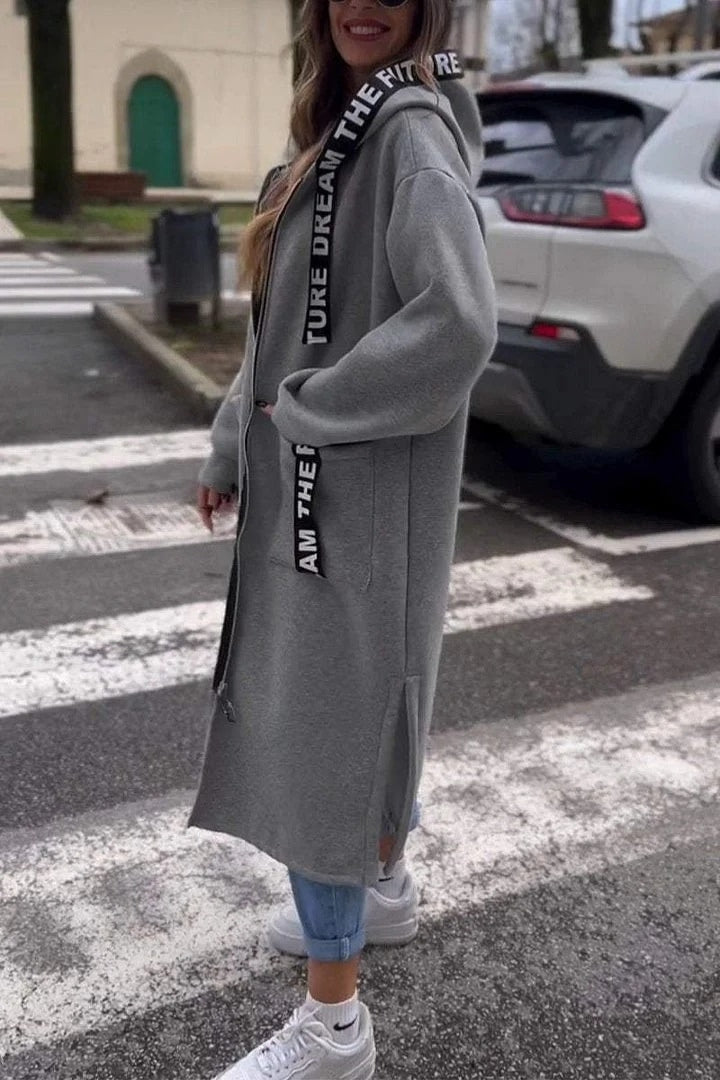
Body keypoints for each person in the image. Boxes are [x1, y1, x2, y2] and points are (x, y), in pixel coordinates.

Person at [190, 0, 497, 1076]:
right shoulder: (341, 126)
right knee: (349, 722)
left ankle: (333, 1030)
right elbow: (280, 327)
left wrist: (314, 408)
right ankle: (383, 887)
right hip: (316, 495)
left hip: (359, 511)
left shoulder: (405, 132)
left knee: (325, 747)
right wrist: (233, 440)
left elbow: (458, 320)